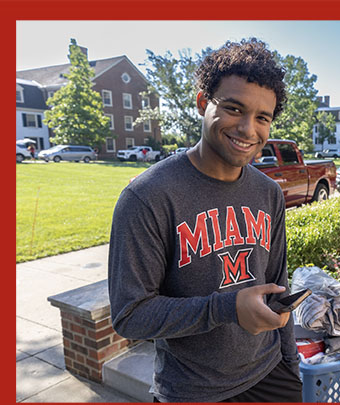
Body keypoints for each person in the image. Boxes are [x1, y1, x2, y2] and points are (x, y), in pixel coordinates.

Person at [108, 38, 303, 403]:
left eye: (263, 117)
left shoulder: (268, 193)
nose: (248, 129)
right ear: (203, 103)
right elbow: (130, 314)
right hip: (193, 391)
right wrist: (226, 308)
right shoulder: (148, 197)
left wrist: (290, 364)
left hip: (271, 374)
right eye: (234, 108)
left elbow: (279, 284)